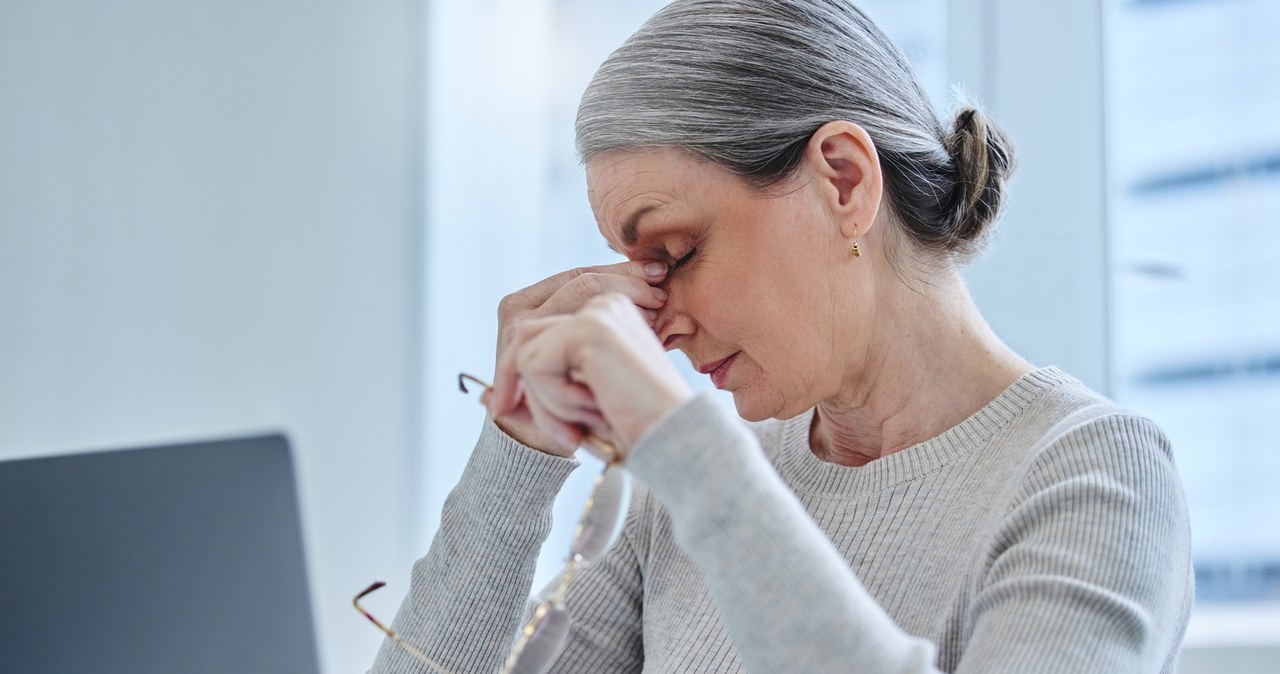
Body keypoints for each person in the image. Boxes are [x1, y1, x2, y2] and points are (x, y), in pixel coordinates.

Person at [372, 0, 1193, 672]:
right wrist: (516, 455)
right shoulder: (691, 496)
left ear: (843, 179)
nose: (654, 323)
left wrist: (683, 448)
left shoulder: (1095, 481)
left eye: (678, 253)